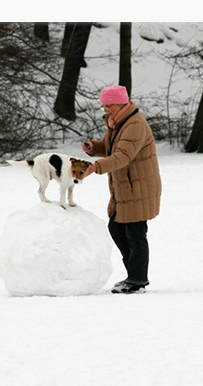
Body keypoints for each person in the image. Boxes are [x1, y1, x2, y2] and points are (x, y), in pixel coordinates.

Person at [78, 85, 161, 294]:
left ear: (121, 103)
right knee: (117, 228)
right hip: (125, 186)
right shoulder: (118, 122)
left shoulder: (135, 125)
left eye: (109, 105)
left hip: (138, 186)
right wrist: (94, 147)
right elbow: (111, 147)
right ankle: (133, 276)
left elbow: (123, 156)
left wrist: (96, 167)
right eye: (103, 105)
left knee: (135, 234)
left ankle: (137, 280)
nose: (105, 109)